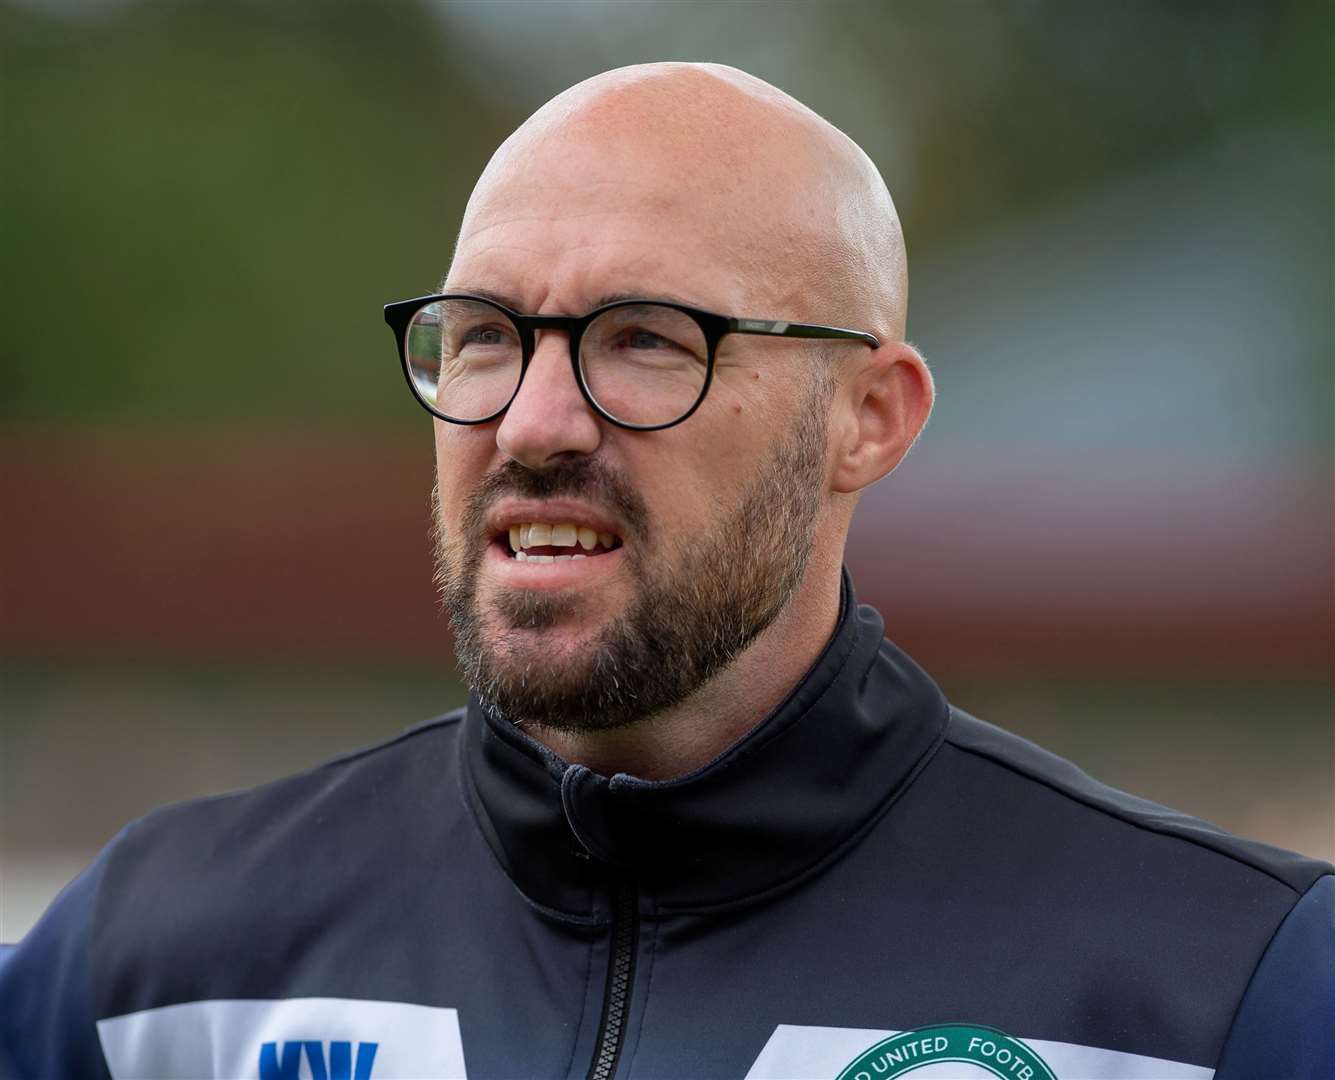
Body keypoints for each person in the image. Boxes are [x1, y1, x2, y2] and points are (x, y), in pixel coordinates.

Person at [1, 63, 1330, 1080]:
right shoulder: (150, 970)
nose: (530, 422)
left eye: (647, 339)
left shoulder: (1224, 992)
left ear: (870, 417)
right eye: (480, 337)